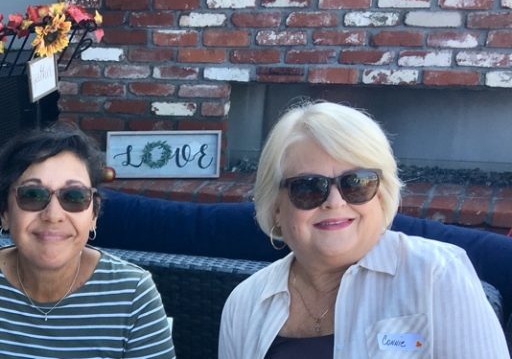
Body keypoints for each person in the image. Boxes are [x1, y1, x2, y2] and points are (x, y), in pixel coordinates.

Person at [218, 101, 509, 358]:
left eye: (356, 183)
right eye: (308, 187)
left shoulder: (436, 275)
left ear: (381, 195)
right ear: (276, 207)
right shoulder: (246, 304)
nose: (335, 201)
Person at [0, 124, 175, 358]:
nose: (53, 215)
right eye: (32, 194)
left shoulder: (132, 295)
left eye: (74, 196)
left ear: (94, 215)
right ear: (4, 212)